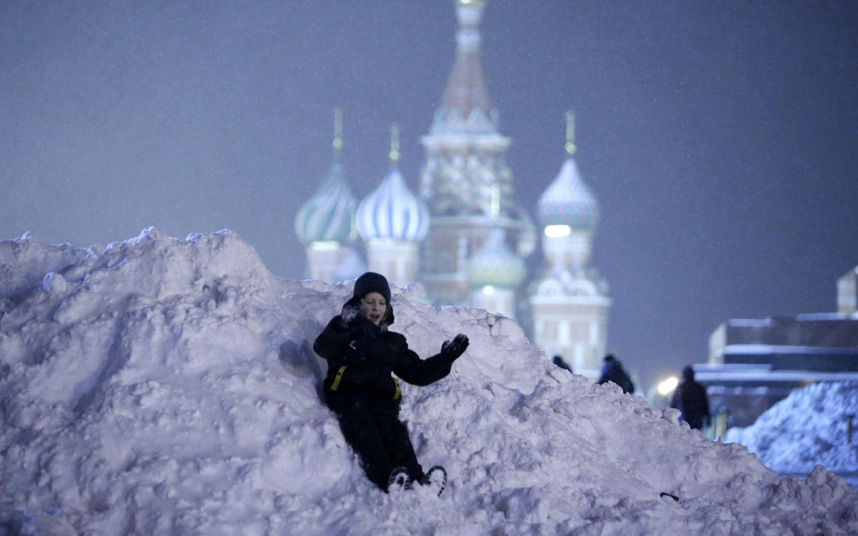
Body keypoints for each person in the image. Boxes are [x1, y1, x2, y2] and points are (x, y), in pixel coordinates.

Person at [313, 272, 469, 493]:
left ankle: (418, 481)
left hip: (382, 403)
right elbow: (322, 348)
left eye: (381, 302)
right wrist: (343, 328)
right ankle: (388, 479)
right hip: (350, 400)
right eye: (370, 302)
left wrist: (446, 358)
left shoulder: (392, 342)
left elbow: (418, 372)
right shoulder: (344, 329)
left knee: (397, 436)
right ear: (358, 304)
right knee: (368, 438)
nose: (376, 307)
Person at [670, 365, 711, 430]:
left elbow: (674, 404)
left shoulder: (681, 388)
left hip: (684, 417)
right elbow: (705, 404)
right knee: (695, 436)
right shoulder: (699, 388)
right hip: (696, 418)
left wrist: (670, 416)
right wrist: (708, 417)